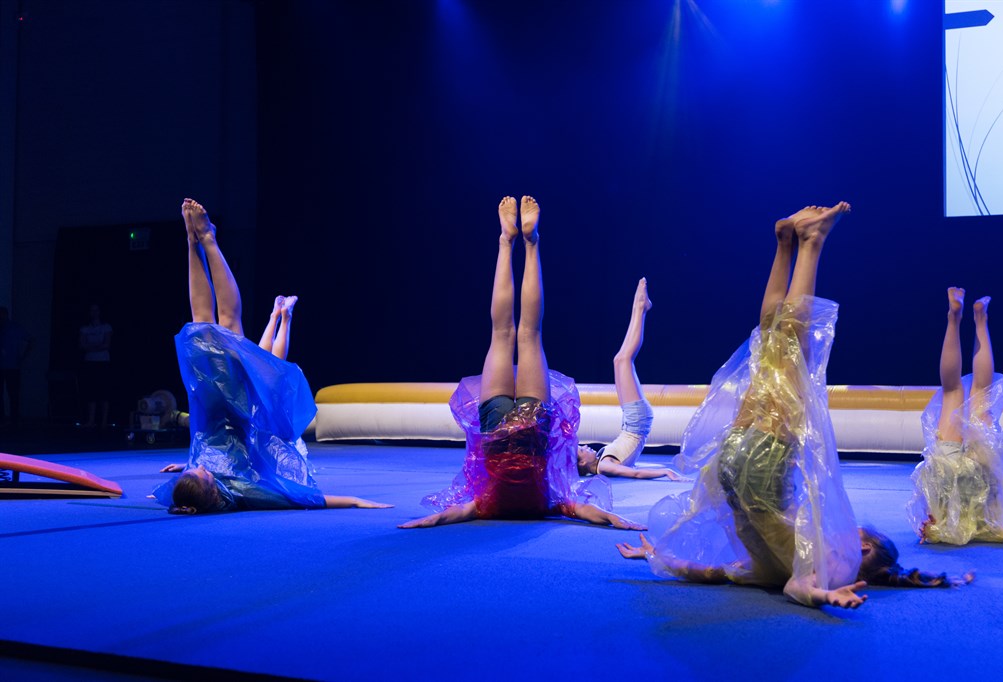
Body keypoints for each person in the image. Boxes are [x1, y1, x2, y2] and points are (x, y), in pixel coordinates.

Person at [617, 202, 968, 609]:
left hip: (761, 468)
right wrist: (663, 559)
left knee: (790, 348)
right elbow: (719, 573)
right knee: (770, 345)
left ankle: (811, 241)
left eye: (857, 534)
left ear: (864, 548)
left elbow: (799, 588)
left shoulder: (838, 563)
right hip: (734, 466)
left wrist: (824, 593)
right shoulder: (775, 567)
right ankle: (785, 243)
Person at [399, 196, 643, 529]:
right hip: (497, 426)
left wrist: (613, 519)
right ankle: (508, 241)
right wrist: (431, 520)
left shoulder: (540, 505)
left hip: (533, 427)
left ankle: (529, 242)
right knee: (504, 333)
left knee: (528, 333)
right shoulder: (492, 506)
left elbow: (580, 510)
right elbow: (457, 513)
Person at [152, 198, 391, 515]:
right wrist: (354, 500)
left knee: (208, 323)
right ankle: (202, 239)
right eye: (202, 474)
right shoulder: (242, 490)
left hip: (212, 403)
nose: (202, 467)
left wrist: (188, 468)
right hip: (225, 403)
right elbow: (298, 498)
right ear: (212, 491)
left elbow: (202, 468)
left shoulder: (206, 481)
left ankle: (196, 239)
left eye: (196, 470)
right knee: (220, 322)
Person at [907, 289, 1003, 544]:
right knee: (954, 390)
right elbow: (982, 528)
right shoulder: (960, 531)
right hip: (950, 477)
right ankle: (958, 317)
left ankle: (972, 319)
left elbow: (986, 527)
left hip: (966, 478)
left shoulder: (971, 531)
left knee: (976, 390)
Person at [576, 278, 681, 481]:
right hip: (636, 423)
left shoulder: (602, 462)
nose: (586, 446)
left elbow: (631, 464)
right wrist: (665, 472)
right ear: (582, 463)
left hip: (631, 424)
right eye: (582, 450)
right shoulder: (604, 466)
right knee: (624, 360)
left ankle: (641, 307)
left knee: (619, 360)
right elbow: (635, 473)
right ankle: (640, 307)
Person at [79, 303, 113, 428]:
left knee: (104, 391)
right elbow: (82, 345)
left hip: (103, 362)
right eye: (92, 310)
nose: (94, 313)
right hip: (90, 362)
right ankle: (91, 420)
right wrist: (98, 346)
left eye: (96, 310)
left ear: (100, 312)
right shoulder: (85, 328)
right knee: (91, 391)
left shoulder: (106, 327)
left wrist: (91, 347)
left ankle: (104, 422)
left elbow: (107, 344)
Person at [0, 306, 32, 427]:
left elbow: (31, 340)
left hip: (12, 366)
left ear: (5, 315)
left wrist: (23, 357)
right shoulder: (14, 328)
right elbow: (31, 340)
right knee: (12, 394)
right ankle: (7, 419)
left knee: (13, 394)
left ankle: (13, 420)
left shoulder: (15, 328)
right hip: (10, 365)